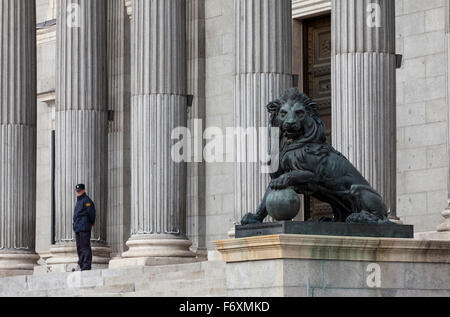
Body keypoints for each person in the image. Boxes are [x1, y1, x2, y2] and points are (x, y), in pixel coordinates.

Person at [72, 184, 96, 271]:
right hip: (78, 228)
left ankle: (86, 265)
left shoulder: (87, 201)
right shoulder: (78, 201)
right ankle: (81, 264)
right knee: (79, 247)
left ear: (84, 190)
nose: (78, 192)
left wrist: (92, 222)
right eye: (77, 191)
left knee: (85, 247)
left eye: (80, 191)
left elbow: (91, 213)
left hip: (84, 227)